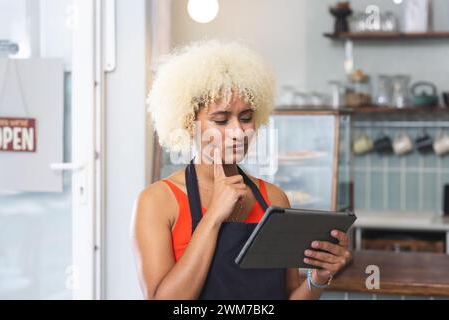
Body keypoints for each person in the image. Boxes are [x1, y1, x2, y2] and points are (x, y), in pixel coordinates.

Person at [131, 40, 351, 300]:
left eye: (246, 118)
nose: (238, 132)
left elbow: (289, 295)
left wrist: (319, 278)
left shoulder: (274, 198)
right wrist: (213, 217)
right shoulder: (157, 201)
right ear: (189, 123)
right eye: (221, 120)